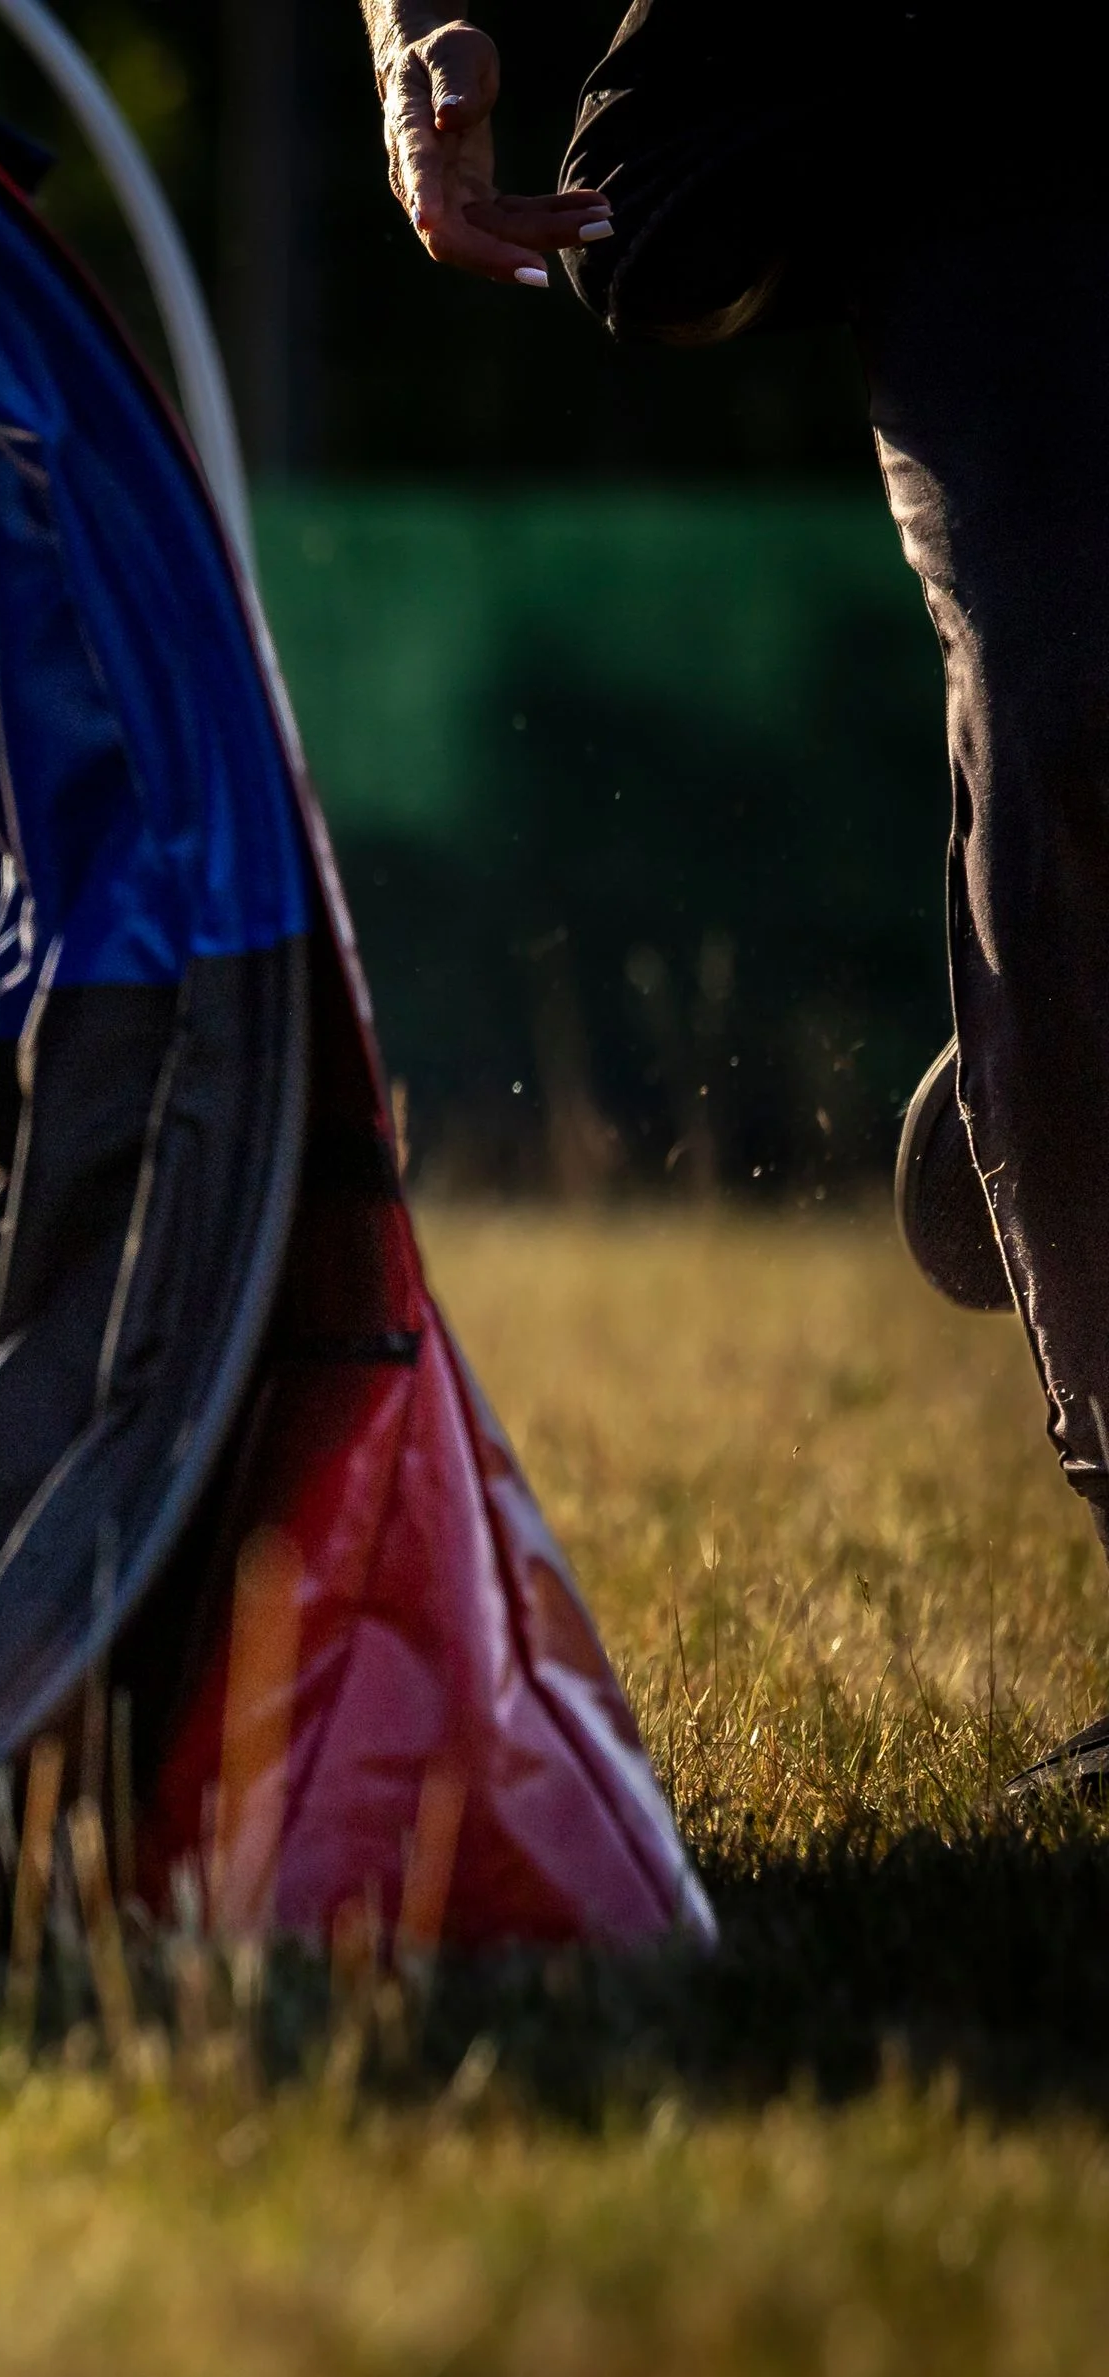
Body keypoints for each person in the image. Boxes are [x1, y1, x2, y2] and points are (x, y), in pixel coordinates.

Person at [358, 2, 1109, 1790]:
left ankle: (1041, 1069)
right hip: (964, 129)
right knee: (1073, 704)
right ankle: (1062, 1061)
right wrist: (426, 30)